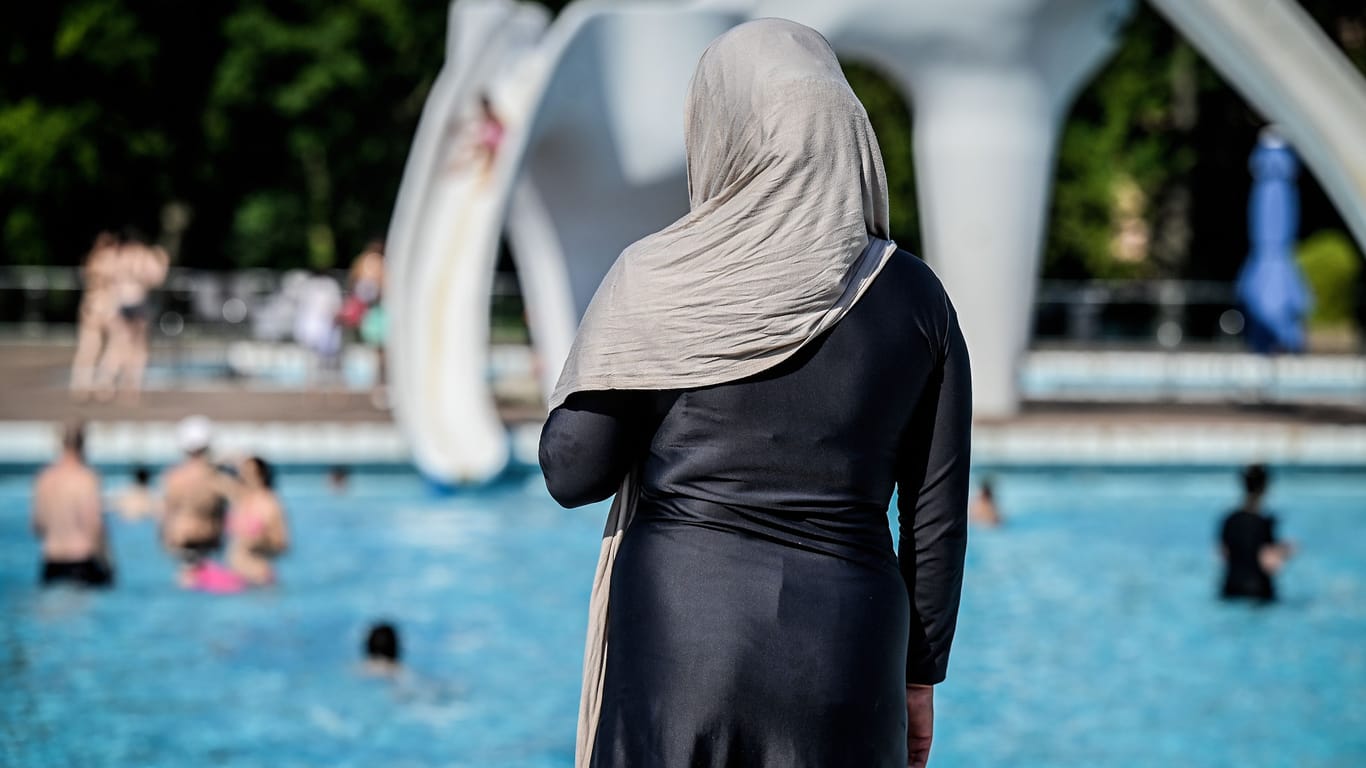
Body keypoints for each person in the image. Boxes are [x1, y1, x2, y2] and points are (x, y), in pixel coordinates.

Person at [539, 21, 970, 768]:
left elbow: (573, 473)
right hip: (851, 648)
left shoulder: (662, 277)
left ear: (722, 129)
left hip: (683, 644)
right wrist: (920, 678)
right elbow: (935, 519)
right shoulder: (915, 297)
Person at [32, 422, 114, 587]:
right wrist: (108, 563)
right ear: (84, 445)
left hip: (51, 561)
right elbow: (94, 525)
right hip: (81, 561)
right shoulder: (87, 478)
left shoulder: (44, 478)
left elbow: (37, 526)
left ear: (61, 444)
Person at [1218, 464, 1295, 602]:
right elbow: (1269, 563)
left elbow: (1223, 555)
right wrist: (1285, 551)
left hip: (1230, 588)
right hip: (1258, 592)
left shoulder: (1229, 519)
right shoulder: (1264, 522)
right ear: (1265, 488)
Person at [160, 416, 227, 572]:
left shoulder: (173, 477)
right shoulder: (216, 478)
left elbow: (164, 514)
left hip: (179, 541)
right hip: (208, 541)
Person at [219, 455, 290, 587]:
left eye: (250, 473)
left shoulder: (270, 503)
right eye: (243, 473)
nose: (245, 477)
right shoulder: (239, 499)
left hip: (257, 575)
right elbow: (215, 478)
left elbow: (282, 543)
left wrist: (258, 543)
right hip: (232, 575)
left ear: (261, 475)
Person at [70, 232, 119, 400]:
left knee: (98, 348)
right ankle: (91, 383)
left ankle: (91, 383)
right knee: (93, 347)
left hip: (101, 305)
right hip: (99, 305)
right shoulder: (102, 260)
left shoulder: (94, 260)